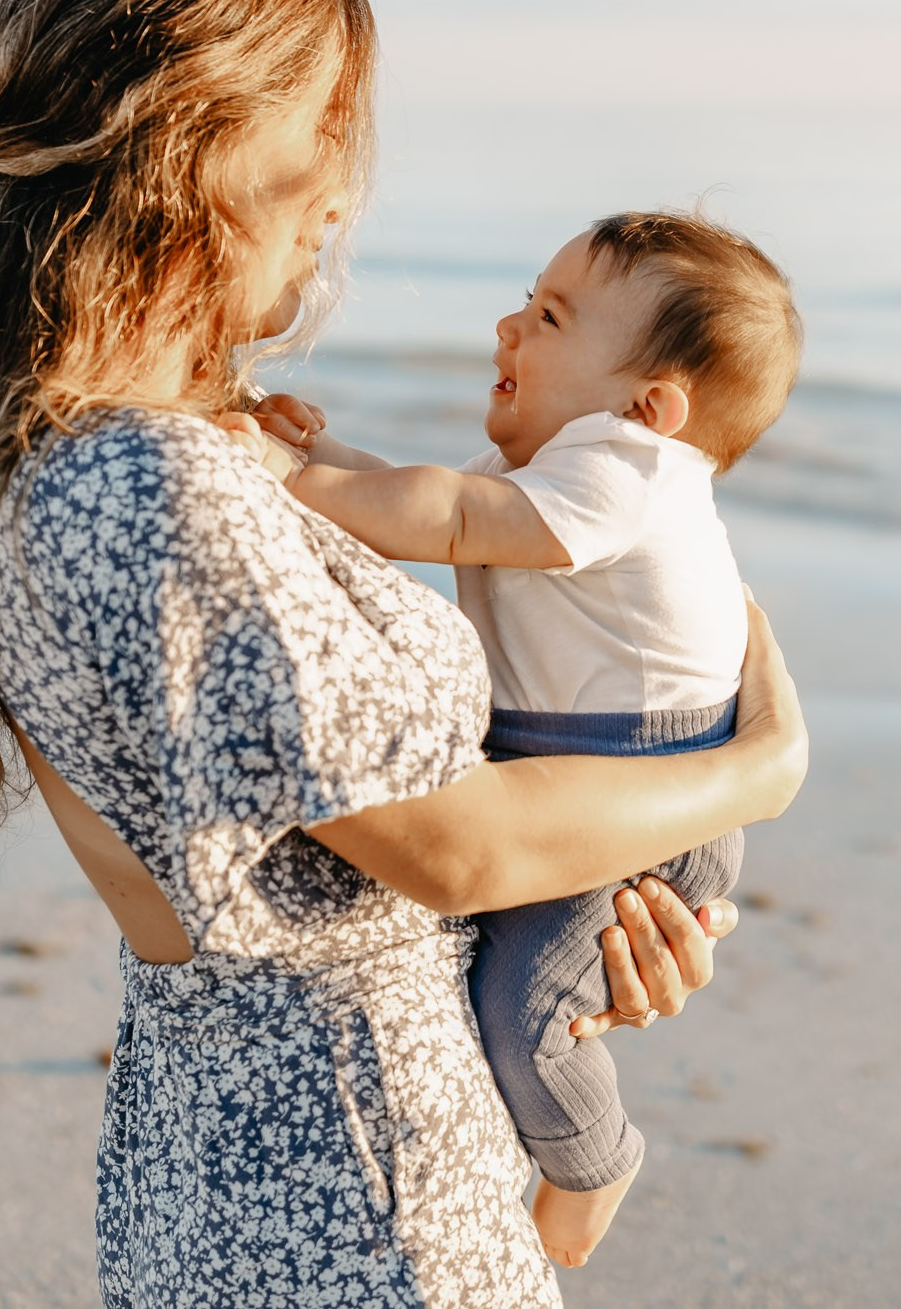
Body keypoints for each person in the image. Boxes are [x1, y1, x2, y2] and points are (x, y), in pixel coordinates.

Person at [0, 0, 810, 1309]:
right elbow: (456, 849)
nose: (344, 195)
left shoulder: (102, 443)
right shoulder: (142, 484)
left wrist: (590, 937)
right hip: (353, 1185)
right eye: (321, 138)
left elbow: (373, 856)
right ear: (199, 151)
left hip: (265, 1145)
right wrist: (755, 769)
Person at [252, 210, 800, 1267]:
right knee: (497, 993)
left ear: (651, 406)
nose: (509, 326)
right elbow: (434, 500)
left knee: (522, 1009)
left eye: (549, 317)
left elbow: (448, 517)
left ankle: (591, 1168)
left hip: (643, 789)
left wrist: (282, 477)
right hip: (579, 768)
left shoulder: (628, 466)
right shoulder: (569, 472)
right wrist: (308, 447)